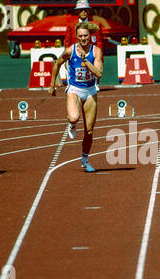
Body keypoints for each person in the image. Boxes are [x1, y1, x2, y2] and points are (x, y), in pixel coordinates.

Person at [49, 22, 103, 173]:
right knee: (73, 117)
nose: (83, 38)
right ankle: (72, 124)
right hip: (74, 89)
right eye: (80, 36)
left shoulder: (96, 51)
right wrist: (52, 84)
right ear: (76, 36)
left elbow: (99, 73)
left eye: (86, 35)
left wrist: (86, 61)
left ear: (90, 36)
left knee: (89, 130)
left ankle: (85, 160)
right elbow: (57, 63)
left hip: (91, 91)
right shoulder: (70, 50)